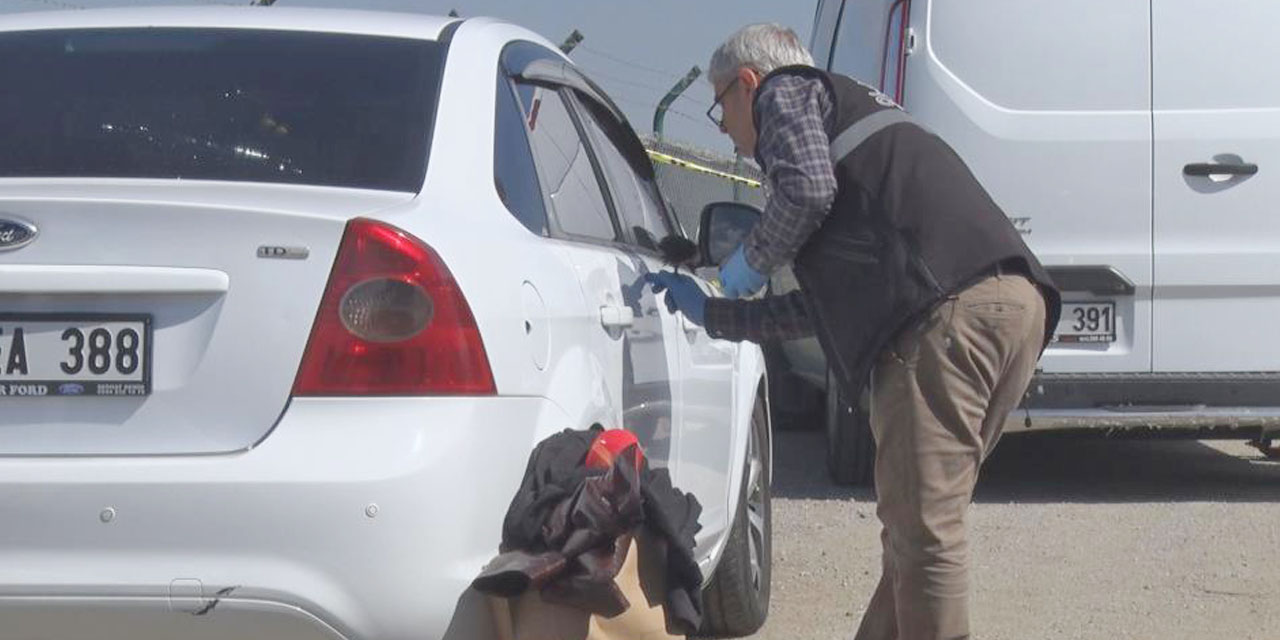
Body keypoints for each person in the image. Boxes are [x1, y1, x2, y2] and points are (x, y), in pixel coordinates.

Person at [645, 23, 1061, 640]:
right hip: (1013, 306)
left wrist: (746, 264)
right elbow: (813, 311)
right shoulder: (849, 130)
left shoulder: (786, 93)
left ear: (749, 82)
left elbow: (808, 192)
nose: (728, 134)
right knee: (916, 528)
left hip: (944, 319)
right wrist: (713, 315)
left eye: (720, 105)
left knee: (924, 535)